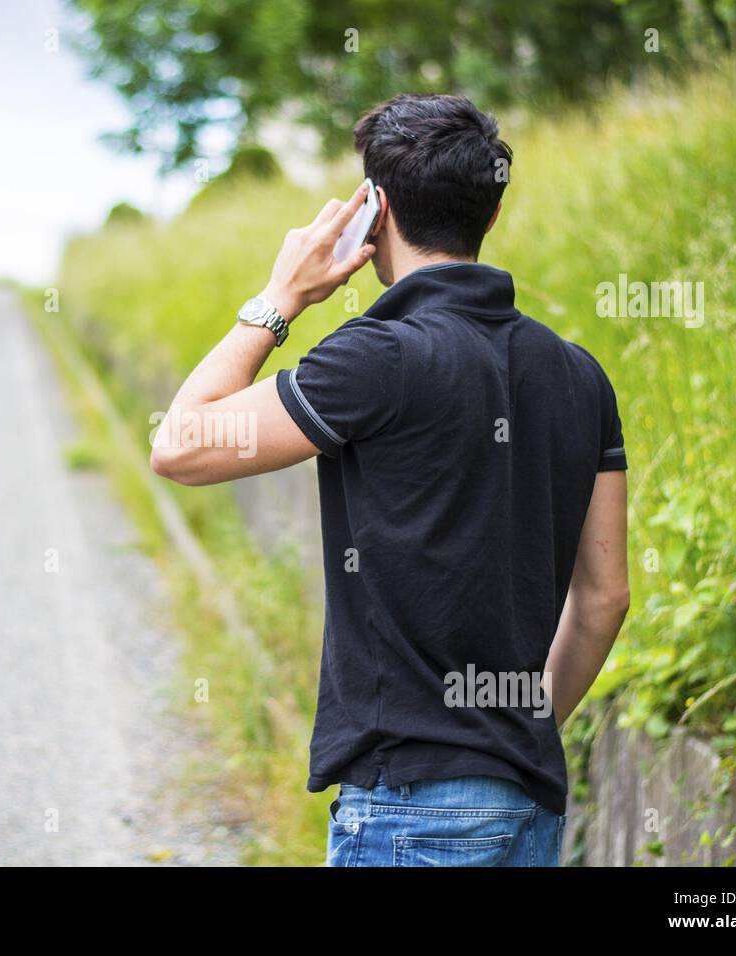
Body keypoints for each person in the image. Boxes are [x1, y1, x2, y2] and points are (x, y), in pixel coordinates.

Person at [150, 93, 629, 867]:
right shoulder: (579, 375)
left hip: (409, 810)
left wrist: (282, 299)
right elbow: (606, 598)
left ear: (373, 211)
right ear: (491, 214)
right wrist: (515, 730)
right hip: (529, 806)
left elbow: (179, 444)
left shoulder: (377, 356)